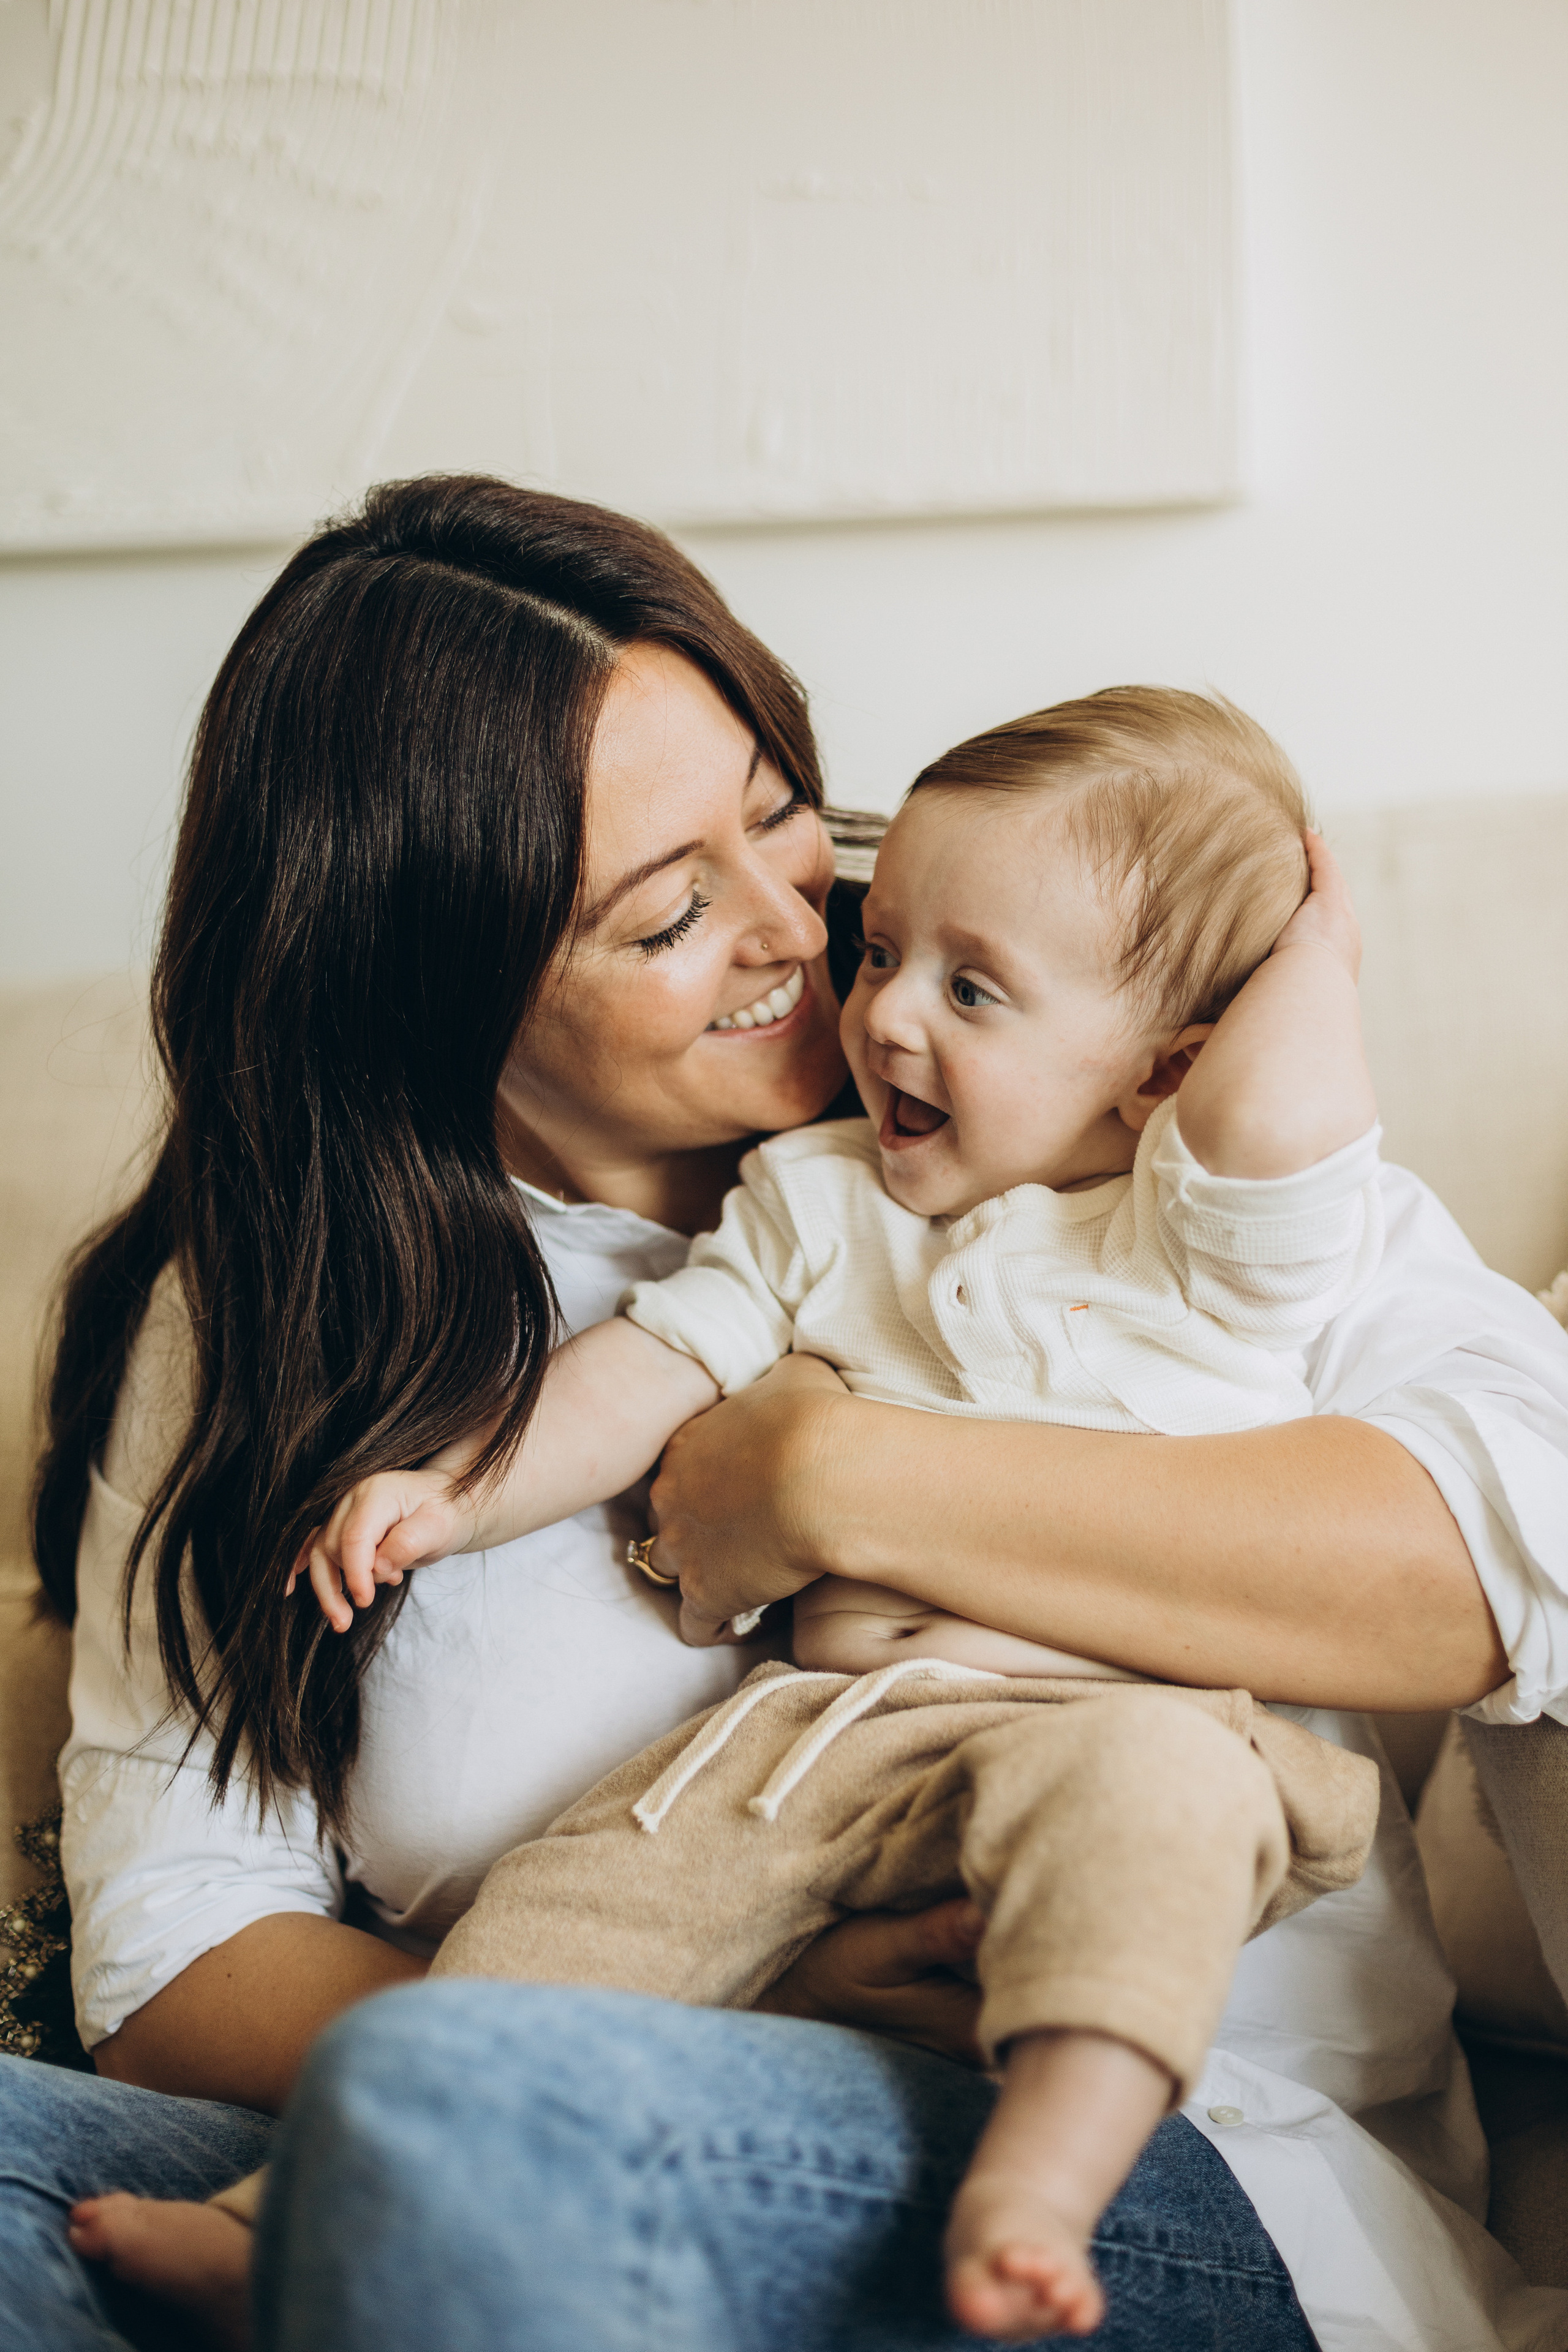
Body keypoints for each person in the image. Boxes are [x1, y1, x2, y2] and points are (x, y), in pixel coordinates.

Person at [0, 474, 1562, 2352]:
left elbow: (1501, 1556)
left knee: (461, 2116)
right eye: (670, 914)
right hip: (567, 2075)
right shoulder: (287, 1319)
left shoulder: (1135, 1139)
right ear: (436, 980)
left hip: (1179, 2160)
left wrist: (835, 1477)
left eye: (780, 816)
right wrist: (705, 2000)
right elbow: (175, 1944)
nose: (801, 927)